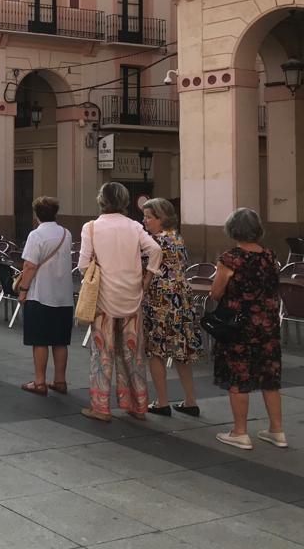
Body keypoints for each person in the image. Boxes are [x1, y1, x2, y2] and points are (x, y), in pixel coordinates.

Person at [78, 182, 162, 422]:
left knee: (102, 352)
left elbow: (84, 264)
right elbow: (155, 250)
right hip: (132, 296)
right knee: (133, 354)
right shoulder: (134, 226)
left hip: (104, 298)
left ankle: (101, 407)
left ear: (101, 200)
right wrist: (147, 277)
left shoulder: (92, 227)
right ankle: (137, 405)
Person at [210, 208, 286, 450]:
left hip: (239, 327)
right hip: (268, 325)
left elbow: (216, 293)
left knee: (238, 376)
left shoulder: (230, 258)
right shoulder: (269, 256)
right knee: (269, 378)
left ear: (233, 230)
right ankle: (277, 430)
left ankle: (240, 432)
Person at [142, 197, 202, 417]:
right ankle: (190, 400)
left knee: (156, 350)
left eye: (149, 217)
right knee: (181, 351)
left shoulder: (155, 241)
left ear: (162, 218)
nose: (145, 221)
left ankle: (162, 402)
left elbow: (144, 268)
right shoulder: (177, 238)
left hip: (159, 299)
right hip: (181, 298)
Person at [15, 196, 73, 394]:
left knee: (39, 340)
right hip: (63, 294)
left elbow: (30, 265)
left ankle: (39, 381)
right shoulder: (66, 233)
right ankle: (60, 380)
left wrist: (23, 290)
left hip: (40, 293)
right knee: (60, 340)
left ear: (36, 214)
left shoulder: (36, 236)